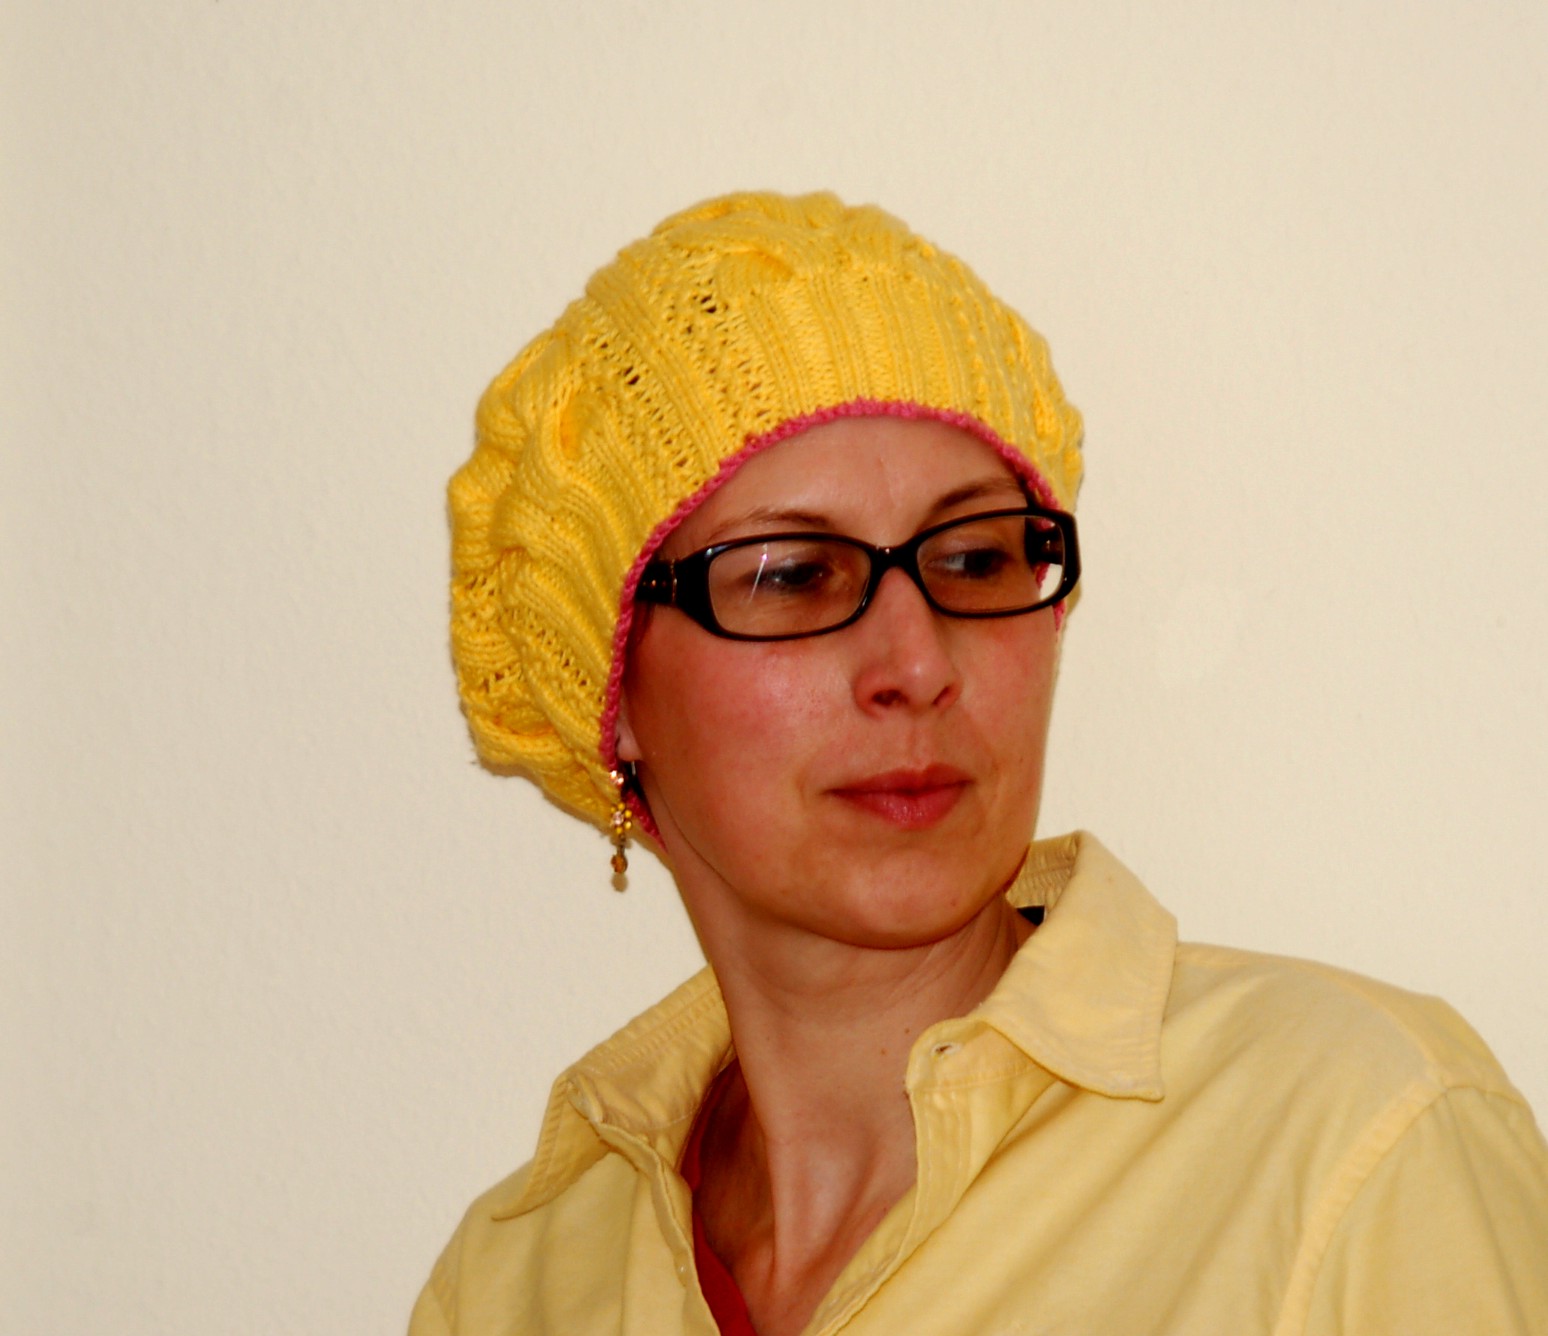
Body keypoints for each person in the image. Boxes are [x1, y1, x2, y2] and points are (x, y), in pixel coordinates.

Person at [411, 191, 1548, 1336]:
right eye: (792, 574)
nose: (916, 664)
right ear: (612, 695)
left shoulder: (1354, 1145)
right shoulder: (517, 1286)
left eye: (972, 559)